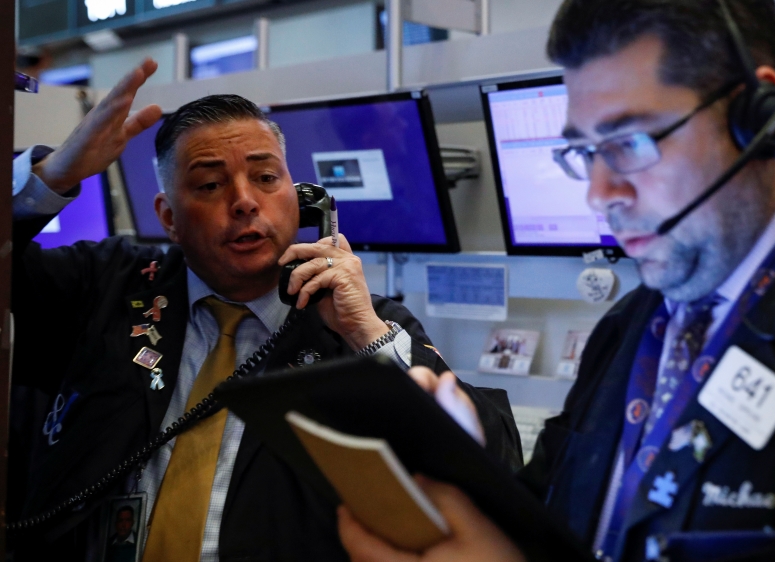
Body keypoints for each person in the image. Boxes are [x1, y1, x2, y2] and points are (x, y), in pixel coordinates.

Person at [340, 0, 775, 560]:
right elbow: (563, 519)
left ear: (757, 117)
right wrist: (470, 467)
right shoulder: (637, 322)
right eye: (585, 151)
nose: (599, 193)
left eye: (628, 142)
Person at [9, 59, 521, 560]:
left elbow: (491, 460)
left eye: (266, 178)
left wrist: (365, 331)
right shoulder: (105, 285)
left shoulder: (357, 323)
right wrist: (50, 177)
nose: (244, 201)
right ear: (168, 217)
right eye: (210, 184)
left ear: (300, 200)